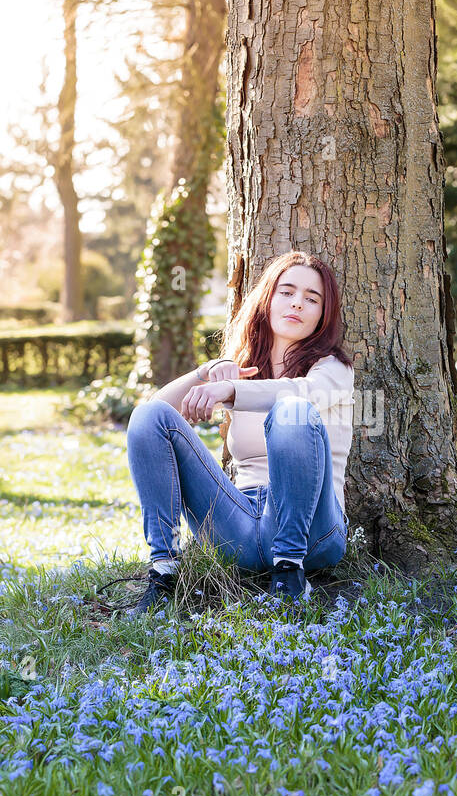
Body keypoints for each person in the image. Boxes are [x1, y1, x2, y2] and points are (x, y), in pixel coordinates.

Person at [122, 251, 355, 616]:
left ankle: (290, 573)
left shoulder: (333, 370)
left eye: (312, 299)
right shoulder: (239, 369)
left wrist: (229, 392)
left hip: (313, 529)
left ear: (323, 315)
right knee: (150, 415)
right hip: (241, 525)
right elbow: (152, 416)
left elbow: (301, 394)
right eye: (287, 292)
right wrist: (209, 371)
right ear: (267, 298)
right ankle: (164, 573)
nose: (297, 303)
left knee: (291, 410)